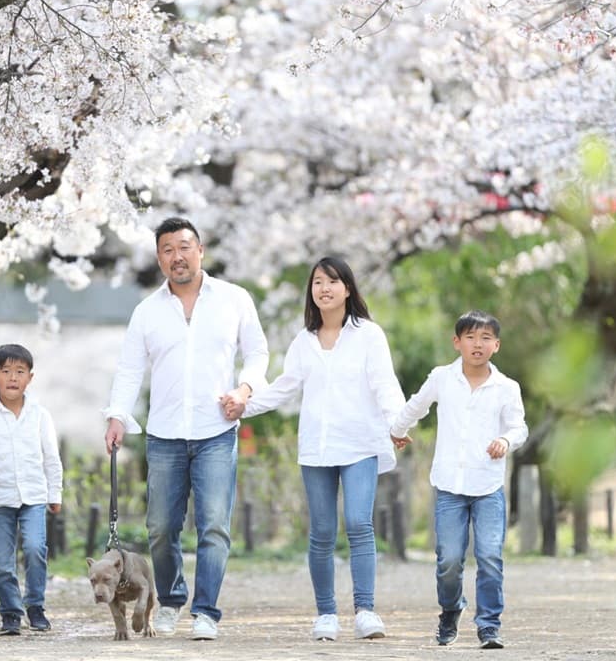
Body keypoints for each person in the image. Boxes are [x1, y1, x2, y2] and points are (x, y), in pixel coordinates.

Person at [103, 217, 269, 641]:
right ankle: (172, 600)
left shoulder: (233, 299)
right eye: (167, 250)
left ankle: (206, 611)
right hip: (164, 435)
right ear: (159, 258)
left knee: (214, 524)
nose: (177, 256)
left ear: (200, 250)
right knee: (161, 525)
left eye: (184, 246)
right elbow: (129, 369)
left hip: (217, 429)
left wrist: (245, 389)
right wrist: (117, 414)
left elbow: (257, 352)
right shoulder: (147, 311)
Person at [226, 256, 404, 642]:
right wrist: (245, 405)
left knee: (359, 524)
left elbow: (385, 385)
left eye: (332, 281)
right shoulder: (303, 341)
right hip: (317, 449)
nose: (324, 288)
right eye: (317, 282)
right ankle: (326, 613)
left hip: (359, 444)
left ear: (348, 288)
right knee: (322, 532)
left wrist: (398, 423)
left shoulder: (369, 335)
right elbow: (284, 387)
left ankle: (365, 611)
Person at [389, 310, 528, 650]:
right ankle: (451, 610)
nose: (477, 344)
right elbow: (417, 405)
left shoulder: (507, 387)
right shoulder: (441, 377)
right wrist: (396, 430)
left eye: (485, 338)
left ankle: (489, 626)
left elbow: (519, 427)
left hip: (488, 486)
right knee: (449, 559)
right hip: (450, 485)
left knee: (490, 556)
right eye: (470, 337)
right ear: (457, 342)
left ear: (496, 345)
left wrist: (506, 441)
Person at [0, 343, 63, 636]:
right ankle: (11, 613)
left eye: (19, 371)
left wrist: (55, 494)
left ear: (30, 377)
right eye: (5, 371)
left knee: (34, 548)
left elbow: (51, 457)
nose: (12, 378)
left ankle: (35, 606)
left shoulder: (40, 415)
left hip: (34, 497)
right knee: (2, 561)